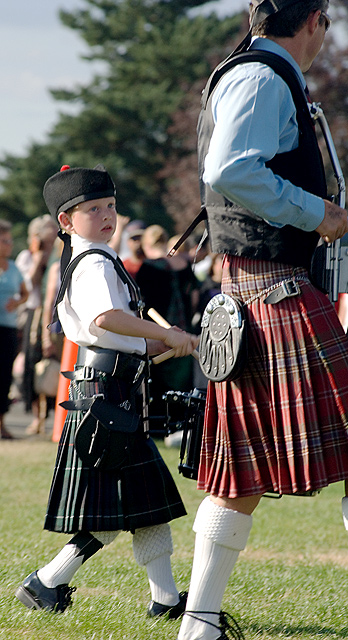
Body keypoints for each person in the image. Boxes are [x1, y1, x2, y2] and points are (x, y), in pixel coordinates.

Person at [177, 2, 348, 639]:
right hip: (273, 293)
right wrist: (315, 213)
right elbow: (229, 170)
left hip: (253, 295)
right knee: (237, 469)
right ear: (315, 21)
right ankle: (197, 622)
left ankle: (199, 624)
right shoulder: (261, 77)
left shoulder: (257, 74)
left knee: (238, 471)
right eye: (328, 22)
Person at [15, 164, 199, 617]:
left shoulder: (97, 257)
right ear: (65, 220)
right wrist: (171, 335)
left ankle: (163, 600)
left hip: (111, 392)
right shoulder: (95, 260)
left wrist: (168, 343)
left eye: (111, 206)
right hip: (106, 398)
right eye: (92, 208)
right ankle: (46, 582)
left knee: (145, 506)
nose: (106, 216)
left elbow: (119, 335)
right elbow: (105, 320)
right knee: (129, 507)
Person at [136, 224, 200, 433]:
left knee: (157, 380)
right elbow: (194, 297)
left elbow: (140, 304)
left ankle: (157, 427)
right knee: (182, 382)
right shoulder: (183, 263)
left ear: (146, 244)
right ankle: (180, 425)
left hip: (157, 331)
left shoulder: (147, 267)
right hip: (183, 330)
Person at [15, 215, 58, 434]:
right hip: (35, 313)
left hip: (55, 314)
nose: (53, 230)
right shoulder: (27, 256)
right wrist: (39, 259)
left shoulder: (59, 255)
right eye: (49, 227)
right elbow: (27, 286)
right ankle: (36, 416)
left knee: (54, 364)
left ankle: (53, 416)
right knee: (34, 362)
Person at [0, 220, 28, 439]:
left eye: (10, 240)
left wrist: (16, 303)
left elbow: (25, 293)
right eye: (4, 241)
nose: (9, 245)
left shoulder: (14, 268)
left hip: (8, 328)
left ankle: (1, 423)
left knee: (4, 376)